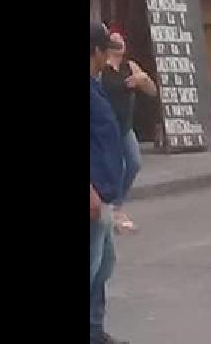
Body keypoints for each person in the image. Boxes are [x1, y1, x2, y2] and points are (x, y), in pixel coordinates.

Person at [90, 22, 128, 344]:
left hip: (103, 193)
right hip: (92, 193)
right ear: (98, 52)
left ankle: (94, 330)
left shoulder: (95, 85)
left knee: (103, 265)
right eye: (107, 49)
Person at [101, 33, 157, 233]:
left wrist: (142, 79)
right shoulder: (102, 67)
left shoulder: (130, 66)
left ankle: (116, 206)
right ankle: (110, 210)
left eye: (122, 40)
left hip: (125, 126)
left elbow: (152, 91)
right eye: (115, 40)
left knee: (133, 163)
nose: (119, 42)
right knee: (115, 167)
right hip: (106, 128)